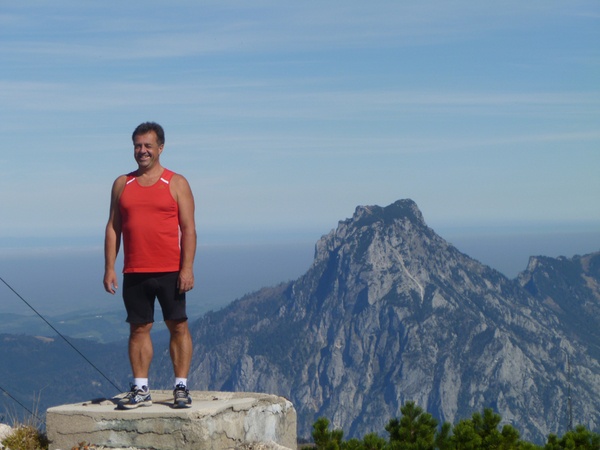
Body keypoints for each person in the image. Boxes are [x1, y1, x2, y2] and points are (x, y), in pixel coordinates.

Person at [103, 122, 196, 409]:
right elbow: (113, 228)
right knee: (138, 329)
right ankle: (141, 389)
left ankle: (181, 387)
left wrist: (187, 268)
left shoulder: (176, 182)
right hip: (134, 270)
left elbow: (189, 229)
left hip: (170, 270)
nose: (142, 151)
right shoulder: (122, 184)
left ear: (160, 148)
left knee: (177, 326)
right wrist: (109, 267)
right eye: (137, 146)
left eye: (147, 146)